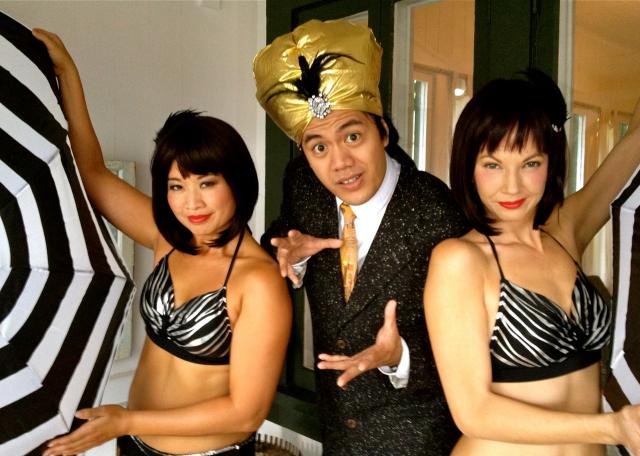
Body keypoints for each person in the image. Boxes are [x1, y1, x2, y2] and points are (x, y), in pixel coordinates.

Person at [34, 29, 292, 456]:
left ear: (238, 182)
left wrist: (127, 419)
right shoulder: (168, 238)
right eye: (176, 186)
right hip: (133, 446)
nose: (191, 203)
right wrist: (68, 75)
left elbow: (246, 413)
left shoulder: (259, 281)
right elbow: (93, 174)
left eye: (206, 183)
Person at [253, 19, 468, 455]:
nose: (341, 163)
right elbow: (277, 240)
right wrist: (289, 255)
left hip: (418, 439)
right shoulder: (305, 185)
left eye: (352, 136)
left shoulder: (435, 211)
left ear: (382, 132)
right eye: (319, 147)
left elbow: (473, 343)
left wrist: (401, 355)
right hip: (338, 432)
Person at [424, 68, 640, 455]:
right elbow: (474, 412)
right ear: (469, 168)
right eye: (493, 165)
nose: (512, 186)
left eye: (530, 164)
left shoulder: (564, 231)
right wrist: (612, 427)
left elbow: (635, 145)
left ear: (550, 163)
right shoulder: (460, 260)